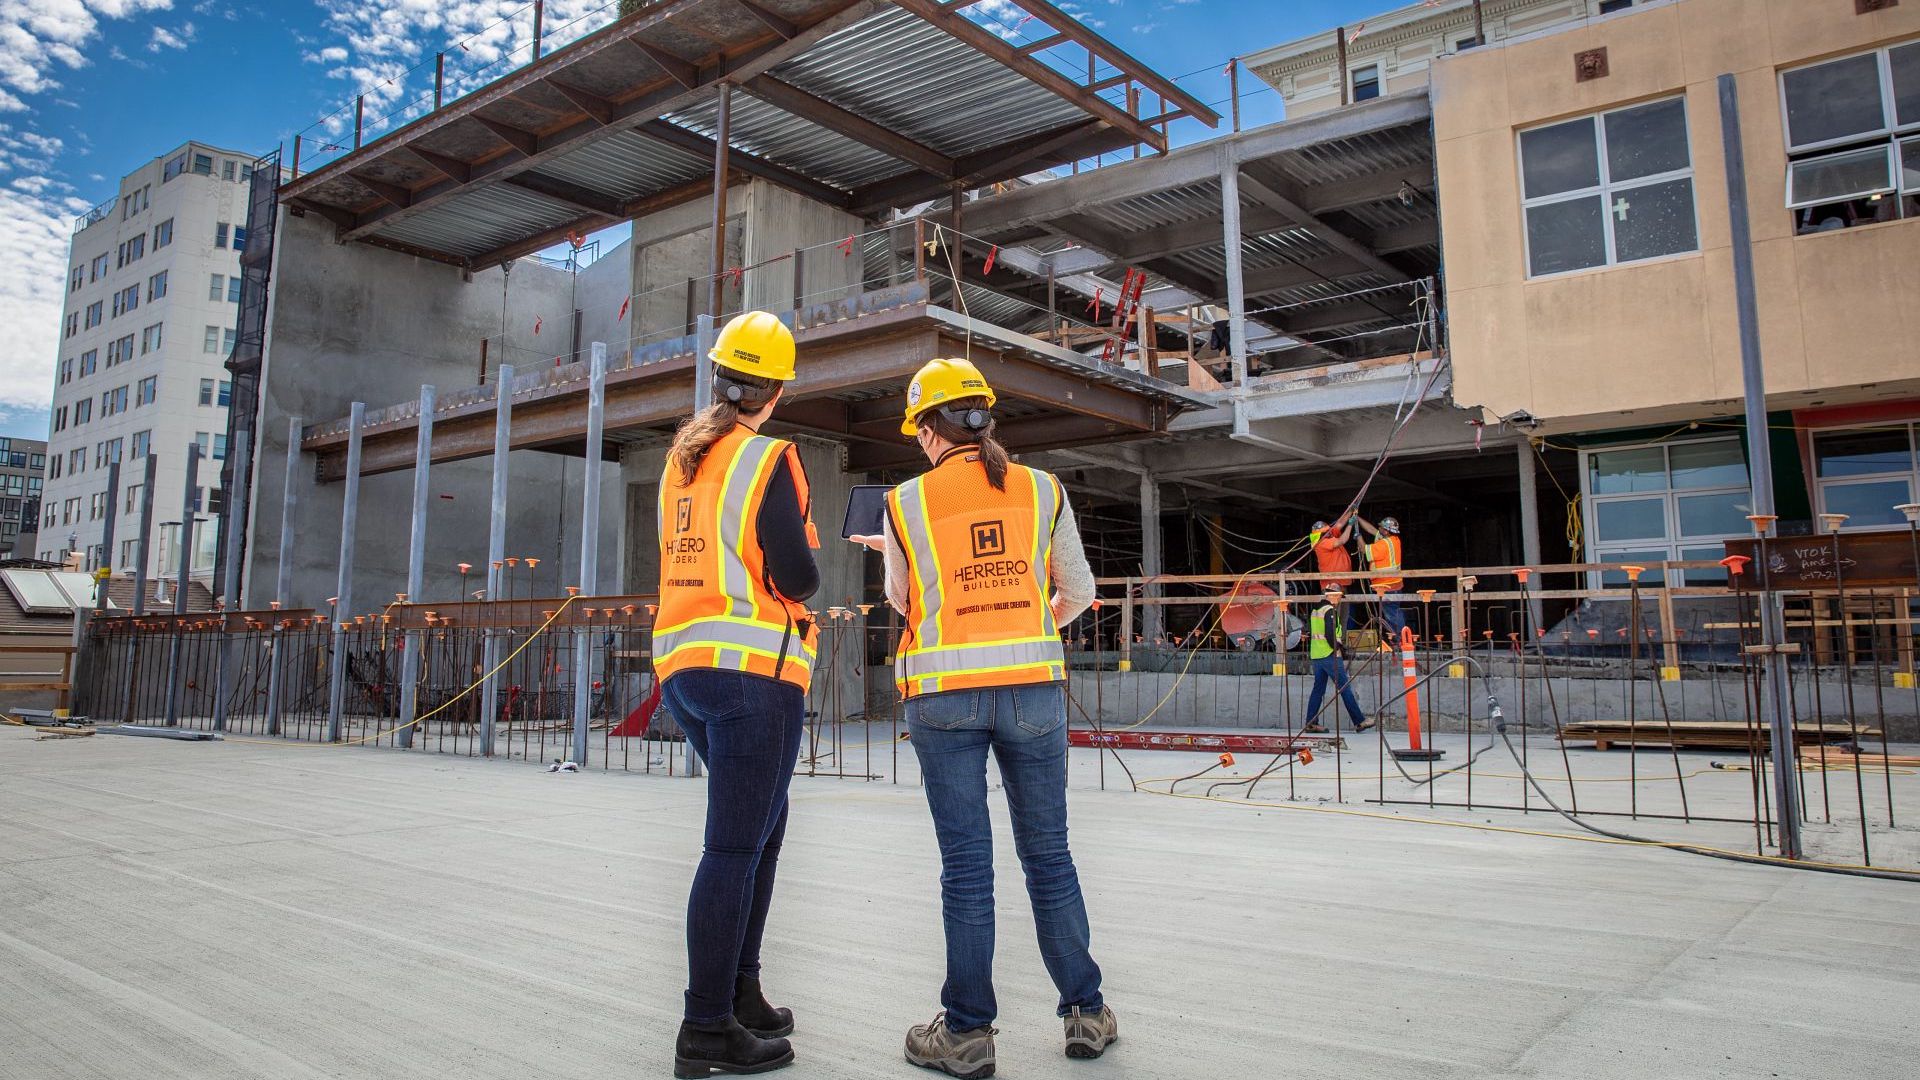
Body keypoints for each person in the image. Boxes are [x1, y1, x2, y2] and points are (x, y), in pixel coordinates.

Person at [851, 357, 1115, 1079]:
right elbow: (1080, 591)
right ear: (983, 418)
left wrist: (907, 566)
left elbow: (907, 603)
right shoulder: (1043, 489)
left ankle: (968, 1033)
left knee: (967, 867)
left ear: (929, 430)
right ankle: (1085, 1013)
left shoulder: (902, 505)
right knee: (1049, 854)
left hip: (942, 696)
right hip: (1031, 690)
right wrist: (1029, 623)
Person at [655, 310, 820, 1079]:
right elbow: (797, 578)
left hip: (685, 672)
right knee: (731, 850)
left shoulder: (683, 459)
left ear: (720, 376)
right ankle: (705, 1028)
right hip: (753, 676)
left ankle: (741, 991)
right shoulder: (768, 458)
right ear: (777, 389)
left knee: (763, 831)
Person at [1301, 584, 1375, 735]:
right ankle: (1359, 721)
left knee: (1318, 689)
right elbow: (1329, 634)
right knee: (1344, 687)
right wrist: (1339, 649)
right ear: (1333, 595)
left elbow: (1310, 631)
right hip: (1330, 655)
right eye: (1339, 596)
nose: (1340, 599)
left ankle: (1311, 722)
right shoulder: (1330, 611)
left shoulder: (1316, 610)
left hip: (1317, 655)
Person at [1356, 514, 1405, 641]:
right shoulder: (1394, 540)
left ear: (1386, 530)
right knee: (1394, 613)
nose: (1380, 529)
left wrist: (1358, 537)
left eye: (1382, 528)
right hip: (1394, 584)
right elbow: (1372, 530)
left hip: (1387, 586)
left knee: (1392, 615)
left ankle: (1399, 641)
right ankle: (1399, 639)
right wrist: (1358, 518)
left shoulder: (1383, 544)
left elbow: (1363, 549)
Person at [1309, 514, 1357, 628]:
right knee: (1335, 619)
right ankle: (1334, 644)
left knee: (1343, 618)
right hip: (1332, 587)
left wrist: (1350, 512)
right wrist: (1350, 525)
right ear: (1320, 534)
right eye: (1326, 532)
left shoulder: (1328, 536)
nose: (1329, 532)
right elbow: (1343, 540)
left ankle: (1342, 643)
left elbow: (1339, 524)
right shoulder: (1322, 543)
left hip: (1341, 585)